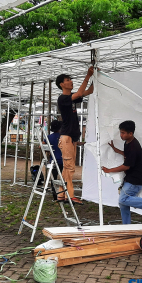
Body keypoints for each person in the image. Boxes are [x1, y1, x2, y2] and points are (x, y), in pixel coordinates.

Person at [102, 120, 142, 224]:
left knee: (122, 200)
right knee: (123, 203)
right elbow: (127, 155)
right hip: (132, 178)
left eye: (123, 133)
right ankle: (126, 226)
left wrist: (109, 170)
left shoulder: (134, 146)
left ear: (131, 133)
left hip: (135, 180)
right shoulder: (128, 143)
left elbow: (126, 166)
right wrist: (116, 150)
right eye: (120, 132)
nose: (121, 135)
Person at [56, 66, 95, 205]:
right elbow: (79, 93)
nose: (71, 81)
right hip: (66, 138)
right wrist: (88, 76)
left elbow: (88, 91)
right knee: (70, 168)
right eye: (68, 80)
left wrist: (95, 77)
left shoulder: (70, 99)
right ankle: (70, 196)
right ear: (62, 84)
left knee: (67, 167)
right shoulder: (63, 99)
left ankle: (61, 195)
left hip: (71, 138)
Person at [46, 120, 64, 200]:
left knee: (54, 178)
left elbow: (41, 146)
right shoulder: (63, 137)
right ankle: (64, 194)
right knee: (64, 178)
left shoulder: (49, 137)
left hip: (53, 161)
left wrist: (49, 150)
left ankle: (54, 195)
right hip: (63, 160)